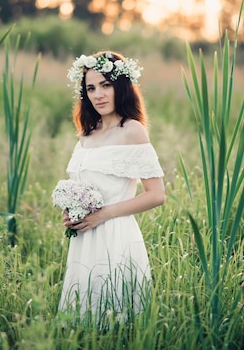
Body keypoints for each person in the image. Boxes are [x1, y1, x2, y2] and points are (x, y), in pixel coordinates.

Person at [57, 50, 166, 327]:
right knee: (84, 320)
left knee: (115, 319)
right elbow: (84, 187)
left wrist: (103, 214)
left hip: (115, 235)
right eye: (91, 88)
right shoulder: (86, 133)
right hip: (84, 238)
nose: (98, 94)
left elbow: (156, 195)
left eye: (105, 85)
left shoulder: (132, 130)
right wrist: (73, 212)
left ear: (120, 86)